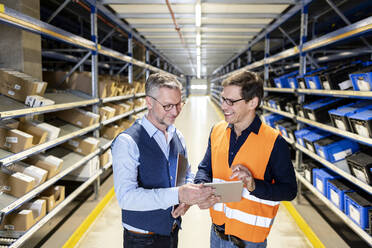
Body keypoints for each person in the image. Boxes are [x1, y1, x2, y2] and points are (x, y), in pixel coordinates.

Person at [194, 70, 297, 248]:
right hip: (216, 234)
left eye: (231, 101)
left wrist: (253, 185)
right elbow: (205, 167)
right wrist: (201, 185)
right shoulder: (217, 130)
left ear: (252, 103)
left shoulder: (274, 142)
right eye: (223, 99)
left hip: (248, 242)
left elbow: (289, 191)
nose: (224, 106)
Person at [112, 73, 214, 248]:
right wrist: (178, 194)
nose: (175, 112)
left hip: (171, 231)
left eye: (178, 104)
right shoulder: (128, 142)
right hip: (142, 239)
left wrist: (186, 200)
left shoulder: (177, 136)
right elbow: (126, 198)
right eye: (167, 106)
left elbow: (185, 173)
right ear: (149, 102)